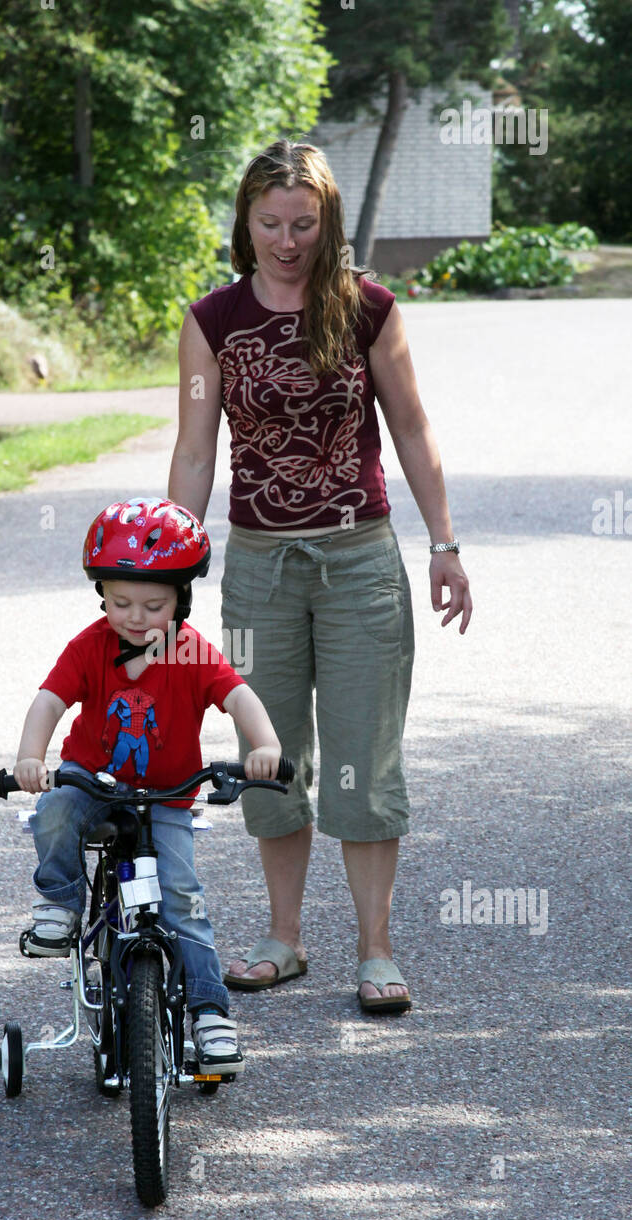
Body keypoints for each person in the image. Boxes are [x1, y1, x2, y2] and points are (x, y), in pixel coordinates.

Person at [167, 140, 473, 1013]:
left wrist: (444, 544)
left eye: (304, 223)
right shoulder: (212, 320)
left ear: (328, 222)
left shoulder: (369, 309)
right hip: (260, 570)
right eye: (270, 222)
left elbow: (412, 430)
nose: (287, 239)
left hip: (358, 561)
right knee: (272, 757)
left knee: (364, 756)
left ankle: (376, 950)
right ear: (245, 222)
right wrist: (169, 565)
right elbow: (196, 450)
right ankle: (284, 937)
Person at [11, 497, 282, 1072]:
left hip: (166, 795)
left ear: (182, 599)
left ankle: (210, 1014)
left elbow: (238, 697)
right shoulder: (91, 646)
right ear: (101, 596)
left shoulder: (190, 652)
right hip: (94, 783)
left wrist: (264, 748)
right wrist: (30, 757)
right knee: (55, 809)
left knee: (182, 901)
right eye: (119, 601)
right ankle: (60, 905)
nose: (134, 616)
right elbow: (49, 700)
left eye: (153, 604)